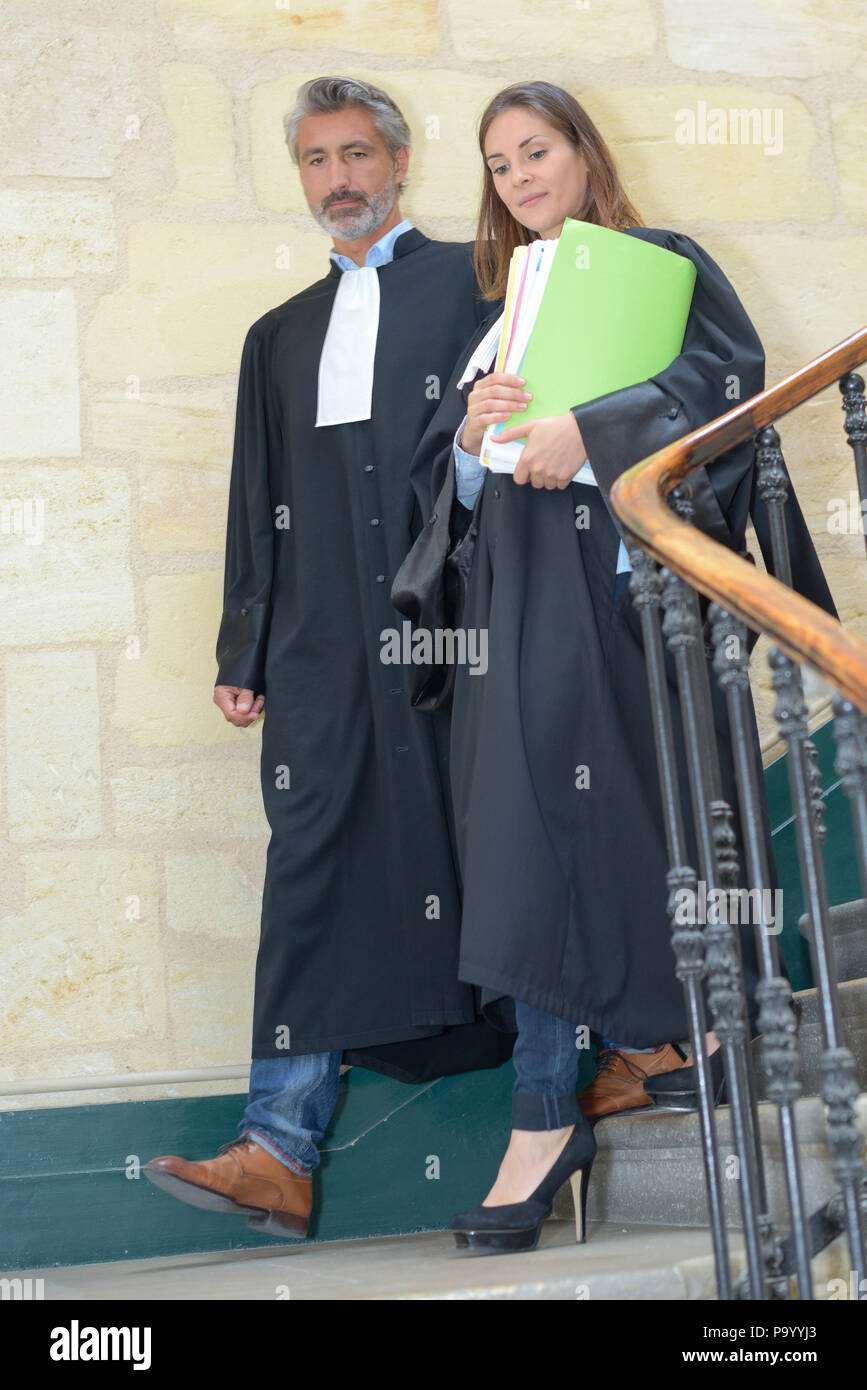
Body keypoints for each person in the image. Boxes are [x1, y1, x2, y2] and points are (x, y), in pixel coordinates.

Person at [400, 81, 837, 1254]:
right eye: (498, 165)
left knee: (619, 826)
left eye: (537, 151)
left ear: (585, 151)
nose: (521, 178)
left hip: (622, 598)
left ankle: (589, 1088)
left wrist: (587, 433)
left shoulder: (663, 265)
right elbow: (441, 488)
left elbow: (725, 394)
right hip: (514, 608)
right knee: (526, 843)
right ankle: (590, 1082)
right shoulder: (497, 317)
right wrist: (483, 441)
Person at [144, 75, 513, 1243]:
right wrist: (242, 644)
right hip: (317, 647)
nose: (339, 179)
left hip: (461, 623)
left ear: (399, 162)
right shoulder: (280, 336)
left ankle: (598, 1056)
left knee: (505, 838)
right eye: (316, 161)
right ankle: (277, 1147)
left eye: (357, 155)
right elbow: (257, 505)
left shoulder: (479, 283)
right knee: (309, 862)